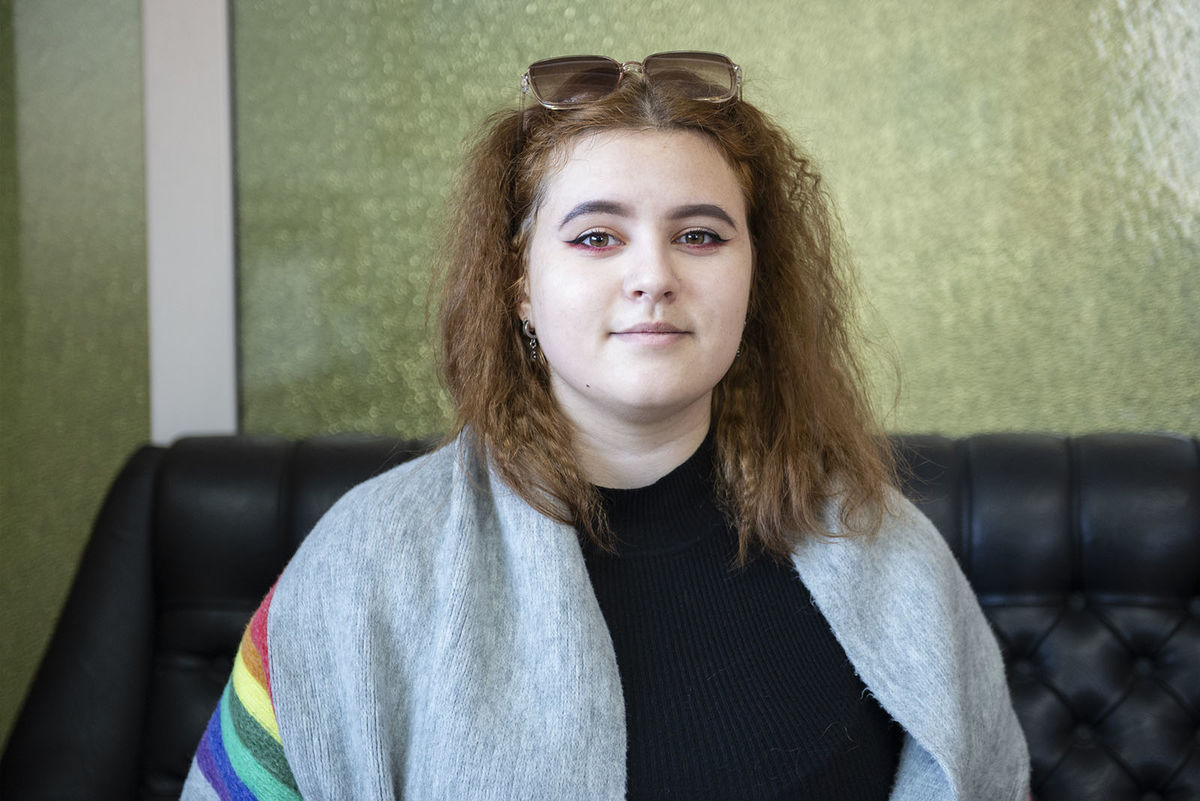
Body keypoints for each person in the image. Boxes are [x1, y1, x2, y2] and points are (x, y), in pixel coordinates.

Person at [181, 52, 1029, 800]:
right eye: (595, 237)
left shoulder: (887, 548)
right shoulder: (362, 561)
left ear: (754, 280)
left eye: (700, 235)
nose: (653, 275)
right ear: (519, 284)